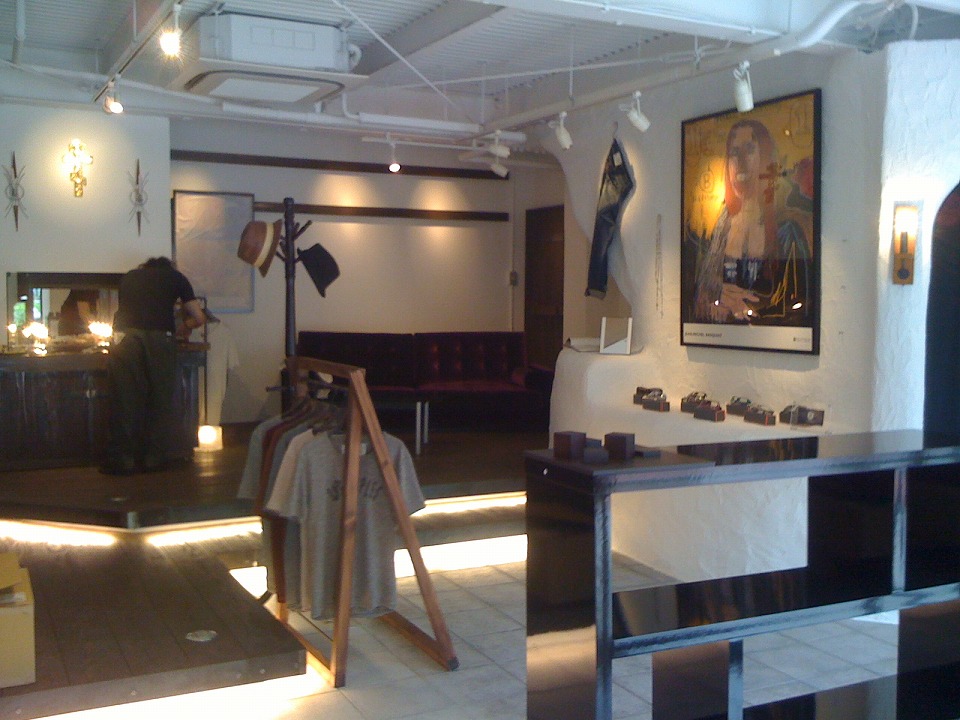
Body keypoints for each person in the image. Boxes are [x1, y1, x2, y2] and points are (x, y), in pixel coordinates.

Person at [692, 119, 811, 323]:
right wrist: (716, 295)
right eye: (734, 152)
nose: (740, 161)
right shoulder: (719, 231)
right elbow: (697, 301)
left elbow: (801, 308)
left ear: (765, 158)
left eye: (749, 149)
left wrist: (751, 310)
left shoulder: (788, 232)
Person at [102, 257, 206, 475]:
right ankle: (154, 458)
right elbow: (199, 317)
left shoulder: (130, 277)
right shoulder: (176, 278)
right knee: (160, 397)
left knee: (125, 397)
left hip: (124, 336)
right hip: (159, 337)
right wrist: (184, 326)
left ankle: (123, 460)